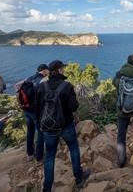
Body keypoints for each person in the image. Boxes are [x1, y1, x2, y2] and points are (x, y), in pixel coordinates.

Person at [36, 60, 90, 192]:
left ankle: (47, 188)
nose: (64, 70)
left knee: (49, 156)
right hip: (66, 125)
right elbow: (73, 107)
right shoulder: (67, 86)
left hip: (48, 127)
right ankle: (79, 178)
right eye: (63, 69)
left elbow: (37, 107)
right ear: (59, 70)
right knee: (73, 149)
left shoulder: (42, 86)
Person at [21, 64, 49, 162]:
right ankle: (39, 156)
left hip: (26, 109)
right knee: (41, 133)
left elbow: (19, 93)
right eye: (47, 71)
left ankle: (30, 154)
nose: (48, 73)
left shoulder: (28, 79)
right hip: (35, 112)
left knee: (30, 131)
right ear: (44, 71)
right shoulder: (42, 81)